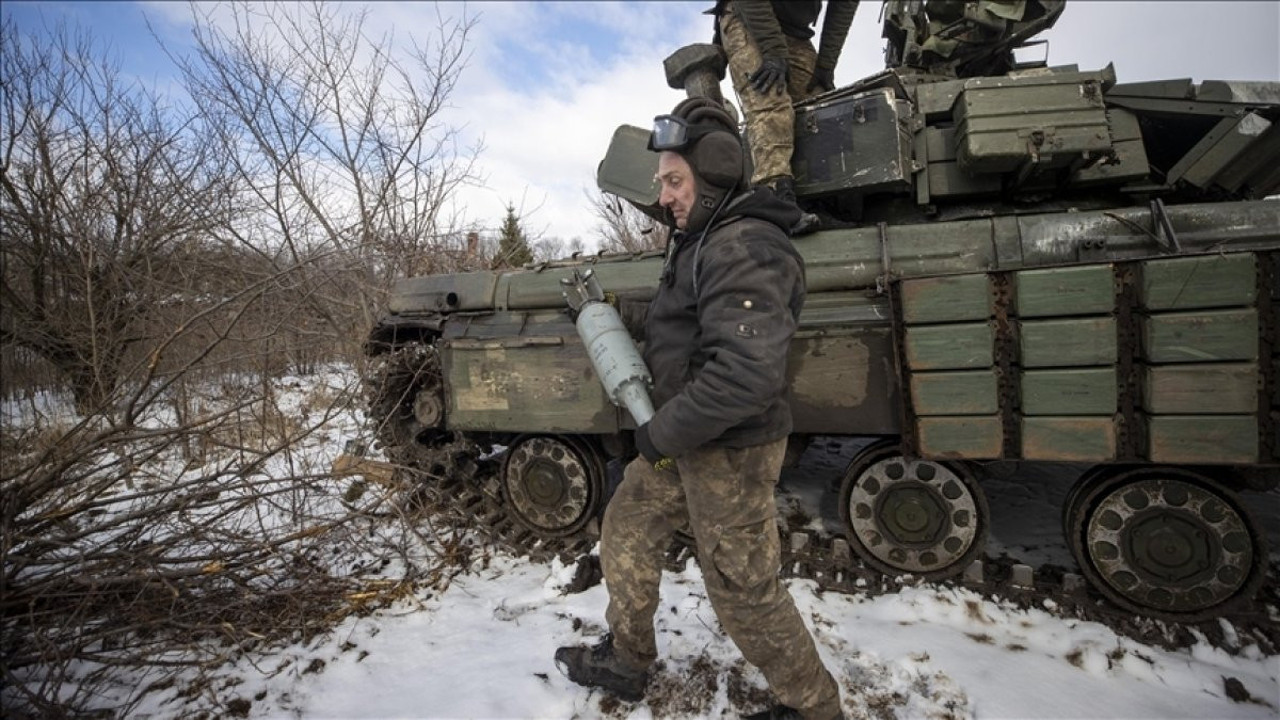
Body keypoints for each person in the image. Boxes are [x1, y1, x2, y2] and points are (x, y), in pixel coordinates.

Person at [554, 97, 845, 720]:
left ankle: (816, 708)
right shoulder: (703, 238)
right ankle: (628, 661)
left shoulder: (746, 247)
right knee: (627, 527)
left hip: (728, 451)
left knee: (743, 589)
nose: (663, 196)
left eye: (674, 180)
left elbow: (742, 376)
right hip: (687, 440)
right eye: (662, 181)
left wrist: (658, 435)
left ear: (713, 176)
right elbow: (689, 330)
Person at [713, 0, 858, 207]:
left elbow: (843, 7)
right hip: (748, 16)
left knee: (822, 108)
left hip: (794, 31)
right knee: (771, 98)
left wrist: (826, 64)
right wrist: (773, 51)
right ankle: (774, 198)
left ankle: (819, 202)